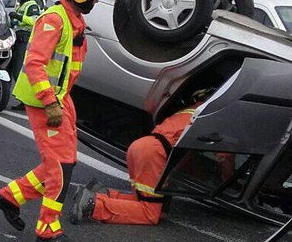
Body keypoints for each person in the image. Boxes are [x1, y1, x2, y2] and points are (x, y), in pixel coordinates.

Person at [0, 0, 108, 242]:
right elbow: (34, 63)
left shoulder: (73, 21)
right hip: (47, 103)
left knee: (64, 163)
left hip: (59, 100)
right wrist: (50, 102)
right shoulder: (54, 20)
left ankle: (9, 197)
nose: (95, 2)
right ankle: (47, 229)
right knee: (59, 169)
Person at [67, 92, 213, 227]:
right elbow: (224, 156)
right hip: (152, 154)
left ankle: (101, 193)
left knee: (146, 203)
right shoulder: (212, 119)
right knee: (150, 213)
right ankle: (93, 204)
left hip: (140, 147)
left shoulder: (193, 110)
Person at [5, 0, 45, 94]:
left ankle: (23, 98)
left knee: (18, 70)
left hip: (24, 40)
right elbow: (17, 23)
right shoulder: (22, 5)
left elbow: (34, 21)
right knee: (10, 68)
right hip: (16, 39)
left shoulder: (32, 5)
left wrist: (18, 17)